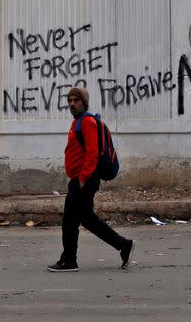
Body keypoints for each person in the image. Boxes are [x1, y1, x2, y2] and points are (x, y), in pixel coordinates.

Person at [47, 86, 135, 272]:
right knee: (86, 219)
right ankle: (123, 245)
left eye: (76, 100)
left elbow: (92, 153)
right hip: (81, 178)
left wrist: (82, 179)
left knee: (69, 220)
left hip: (84, 179)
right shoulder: (78, 122)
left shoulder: (87, 122)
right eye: (69, 100)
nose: (72, 104)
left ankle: (69, 260)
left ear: (84, 103)